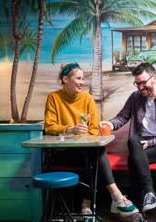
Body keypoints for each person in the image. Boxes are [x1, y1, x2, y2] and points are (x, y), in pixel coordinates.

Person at [44, 62, 138, 217]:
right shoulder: (54, 98)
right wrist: (70, 129)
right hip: (64, 152)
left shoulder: (87, 98)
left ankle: (103, 200)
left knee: (94, 153)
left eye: (83, 79)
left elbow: (94, 129)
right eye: (79, 78)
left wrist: (85, 135)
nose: (82, 82)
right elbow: (50, 127)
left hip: (85, 150)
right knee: (96, 154)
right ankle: (110, 197)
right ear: (66, 79)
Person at [101, 63, 156, 212]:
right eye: (137, 84)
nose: (140, 88)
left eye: (143, 83)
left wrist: (151, 142)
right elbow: (122, 117)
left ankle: (138, 204)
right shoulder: (135, 97)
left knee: (133, 156)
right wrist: (111, 125)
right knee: (134, 142)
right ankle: (149, 195)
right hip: (139, 144)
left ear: (154, 78)